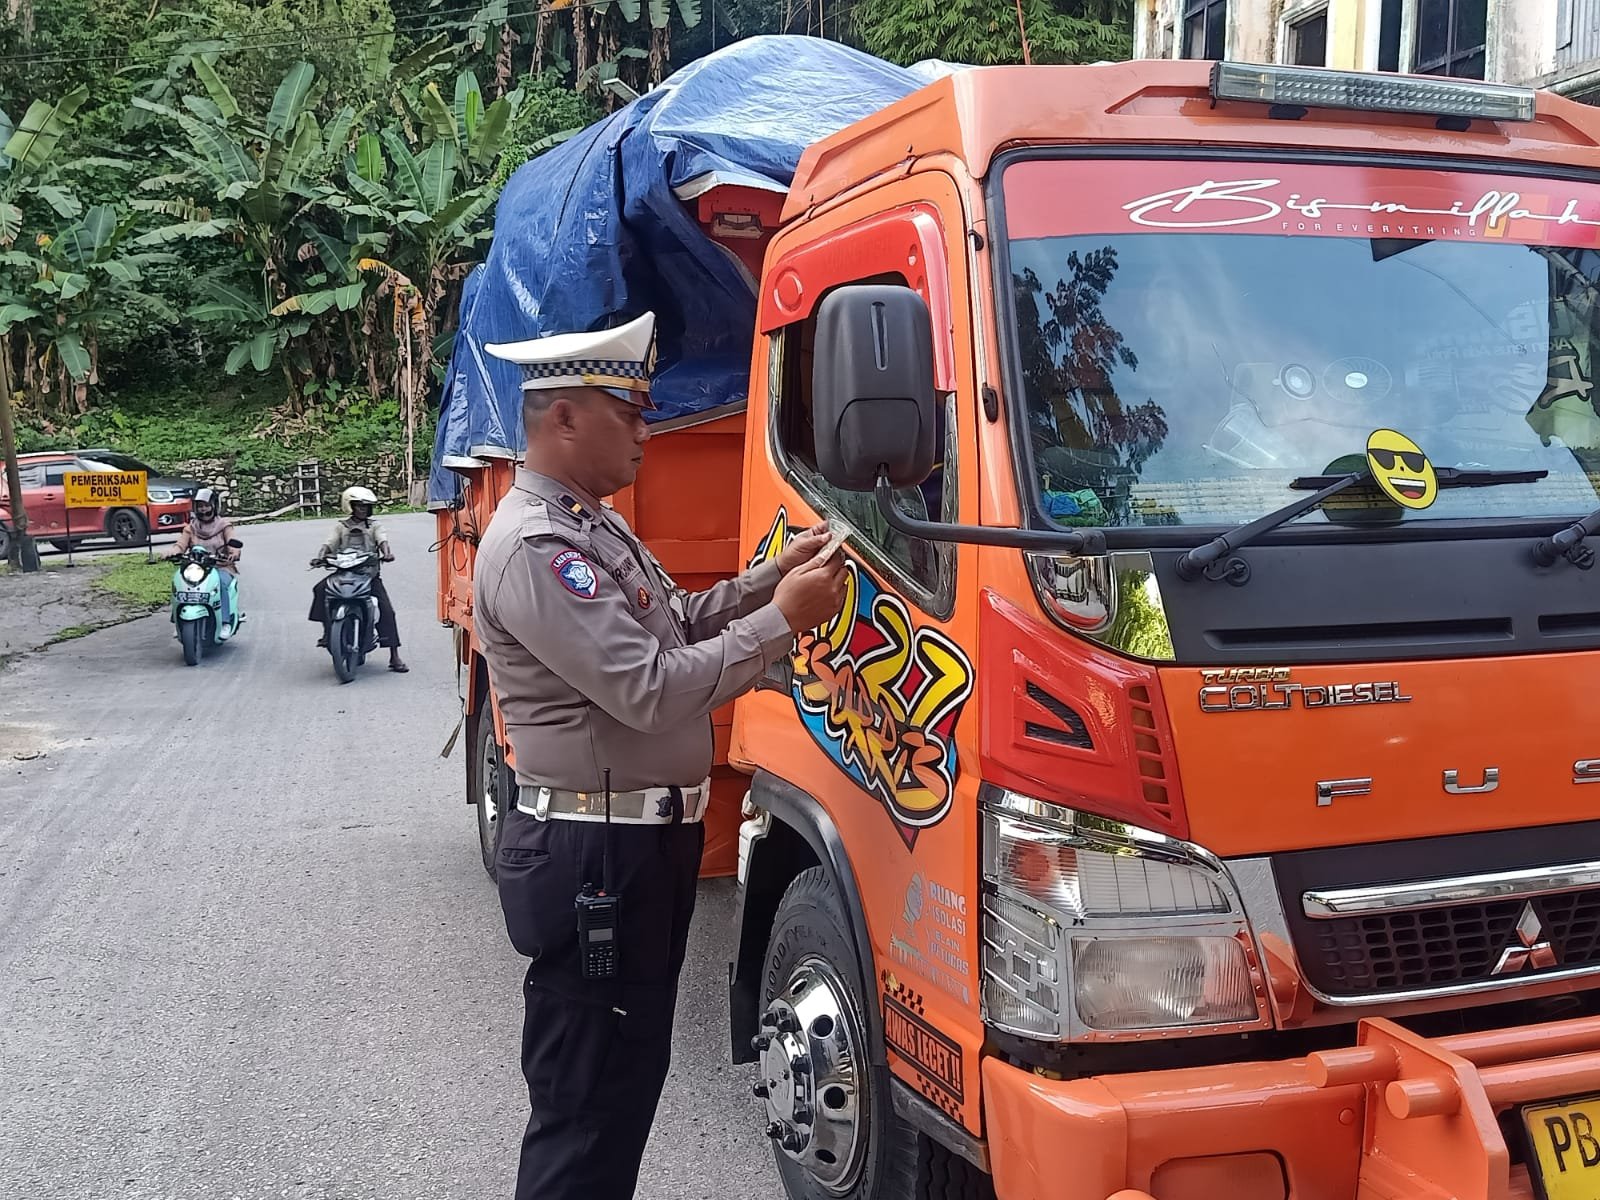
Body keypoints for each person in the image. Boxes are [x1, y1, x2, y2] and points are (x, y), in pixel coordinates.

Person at [474, 311, 847, 1200]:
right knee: (586, 1105)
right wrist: (781, 621)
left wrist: (766, 580)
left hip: (635, 846)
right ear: (565, 417)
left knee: (623, 1085)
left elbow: (674, 623)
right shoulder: (537, 548)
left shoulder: (592, 527)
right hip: (596, 856)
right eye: (630, 412)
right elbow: (646, 687)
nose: (648, 429)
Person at [307, 486, 408, 673]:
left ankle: (394, 656)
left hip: (367, 576)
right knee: (320, 589)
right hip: (343, 573)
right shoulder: (340, 526)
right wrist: (320, 557)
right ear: (350, 506)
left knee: (387, 611)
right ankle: (327, 631)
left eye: (366, 506)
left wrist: (387, 553)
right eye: (360, 506)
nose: (363, 509)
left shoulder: (374, 526)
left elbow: (382, 540)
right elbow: (329, 543)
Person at [171, 487, 240, 628]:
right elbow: (180, 545)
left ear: (214, 506)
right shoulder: (190, 528)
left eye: (206, 505)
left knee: (220, 584)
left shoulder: (224, 526)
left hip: (220, 566)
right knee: (179, 581)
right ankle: (177, 621)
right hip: (196, 568)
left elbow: (232, 541)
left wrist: (233, 553)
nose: (203, 509)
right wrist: (172, 552)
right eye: (200, 506)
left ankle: (225, 622)